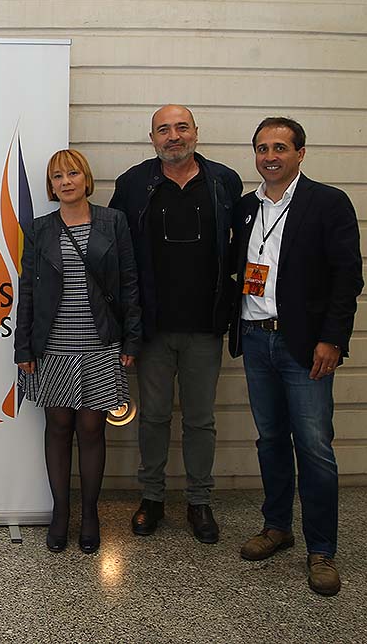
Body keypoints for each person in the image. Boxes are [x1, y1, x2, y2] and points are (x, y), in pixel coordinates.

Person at [229, 116, 363, 597]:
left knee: (314, 447)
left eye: (280, 147)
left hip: (305, 346)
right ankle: (277, 527)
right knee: (270, 439)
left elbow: (348, 278)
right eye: (262, 148)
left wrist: (333, 339)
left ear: (300, 153)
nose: (270, 156)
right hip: (255, 338)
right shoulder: (246, 208)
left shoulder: (328, 203)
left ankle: (322, 550)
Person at [109, 105, 242, 543]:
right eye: (163, 129)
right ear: (152, 139)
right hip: (153, 327)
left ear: (196, 134)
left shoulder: (224, 182)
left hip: (206, 324)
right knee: (154, 417)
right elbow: (115, 252)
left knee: (201, 419)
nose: (173, 136)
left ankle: (200, 501)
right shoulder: (132, 184)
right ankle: (152, 498)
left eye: (181, 127)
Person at [14, 149, 140, 554]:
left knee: (92, 429)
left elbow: (129, 283)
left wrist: (132, 339)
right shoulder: (39, 228)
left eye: (72, 173)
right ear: (50, 187)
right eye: (56, 177)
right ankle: (60, 512)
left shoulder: (112, 221)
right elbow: (28, 291)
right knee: (58, 428)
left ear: (86, 178)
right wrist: (23, 346)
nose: (65, 181)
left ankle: (89, 513)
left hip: (101, 342)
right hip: (52, 346)